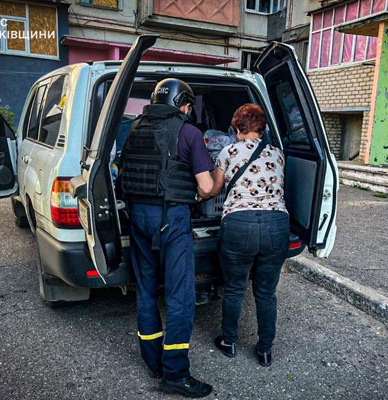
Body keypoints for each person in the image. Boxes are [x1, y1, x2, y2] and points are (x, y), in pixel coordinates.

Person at [120, 78, 213, 398]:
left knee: (146, 291)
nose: (188, 110)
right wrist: (204, 189)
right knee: (180, 296)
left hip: (138, 217)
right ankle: (175, 373)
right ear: (182, 104)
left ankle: (153, 361)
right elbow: (205, 186)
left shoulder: (134, 128)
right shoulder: (189, 132)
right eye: (187, 106)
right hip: (171, 219)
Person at [206, 103, 289, 367]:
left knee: (234, 288)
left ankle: (229, 341)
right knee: (266, 292)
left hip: (239, 224)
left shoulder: (228, 151)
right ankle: (265, 350)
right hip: (277, 224)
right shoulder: (278, 154)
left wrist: (198, 195)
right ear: (263, 128)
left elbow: (214, 189)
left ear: (237, 128)